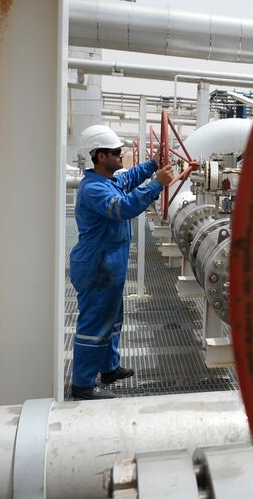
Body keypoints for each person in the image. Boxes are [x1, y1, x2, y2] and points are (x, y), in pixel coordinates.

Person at [69, 124, 175, 400]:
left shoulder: (109, 180)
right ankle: (82, 385)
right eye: (116, 152)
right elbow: (123, 208)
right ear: (100, 156)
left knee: (112, 319)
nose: (121, 156)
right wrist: (157, 185)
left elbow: (130, 177)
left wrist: (152, 165)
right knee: (94, 324)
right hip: (97, 264)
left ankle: (109, 368)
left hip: (108, 263)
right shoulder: (94, 189)